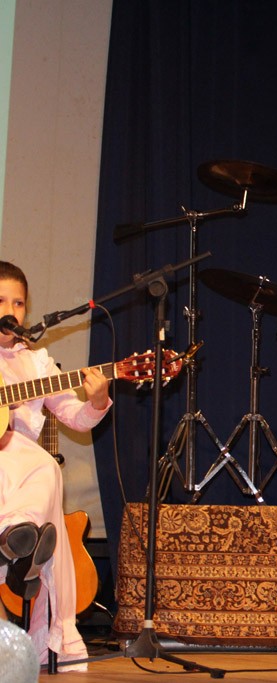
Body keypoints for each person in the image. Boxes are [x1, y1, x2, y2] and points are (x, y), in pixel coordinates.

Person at [0, 260, 111, 668]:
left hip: (23, 472)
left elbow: (76, 418)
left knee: (44, 465)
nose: (10, 310)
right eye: (0, 300)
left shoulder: (38, 364)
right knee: (38, 463)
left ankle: (18, 540)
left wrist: (97, 400)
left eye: (18, 303)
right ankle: (19, 544)